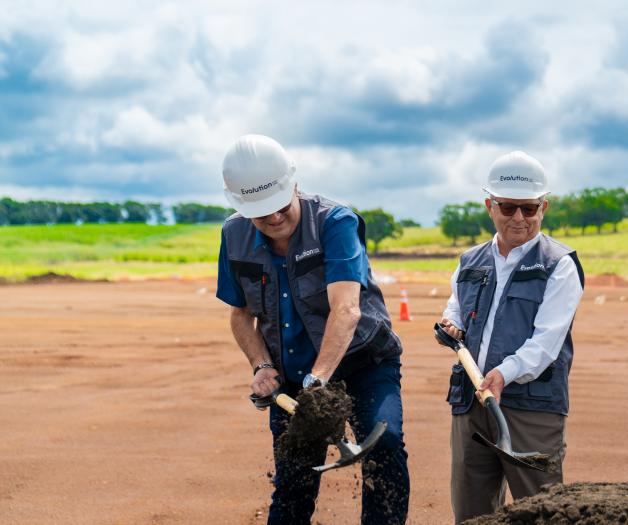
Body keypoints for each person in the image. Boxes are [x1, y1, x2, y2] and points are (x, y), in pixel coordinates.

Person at [216, 135, 409, 524]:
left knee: (383, 444)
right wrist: (261, 366)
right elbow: (240, 315)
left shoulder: (335, 222)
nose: (273, 219)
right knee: (294, 477)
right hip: (291, 372)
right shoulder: (234, 236)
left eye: (280, 206)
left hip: (363, 361)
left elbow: (347, 308)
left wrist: (318, 381)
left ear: (294, 185)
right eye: (261, 212)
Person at [437, 151, 584, 523]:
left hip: (531, 407)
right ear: (490, 206)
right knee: (472, 512)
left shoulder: (559, 265)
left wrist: (504, 373)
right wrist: (450, 325)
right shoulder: (470, 261)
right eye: (508, 207)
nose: (519, 218)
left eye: (529, 209)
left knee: (542, 511)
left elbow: (546, 343)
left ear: (543, 208)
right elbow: (456, 308)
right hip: (471, 403)